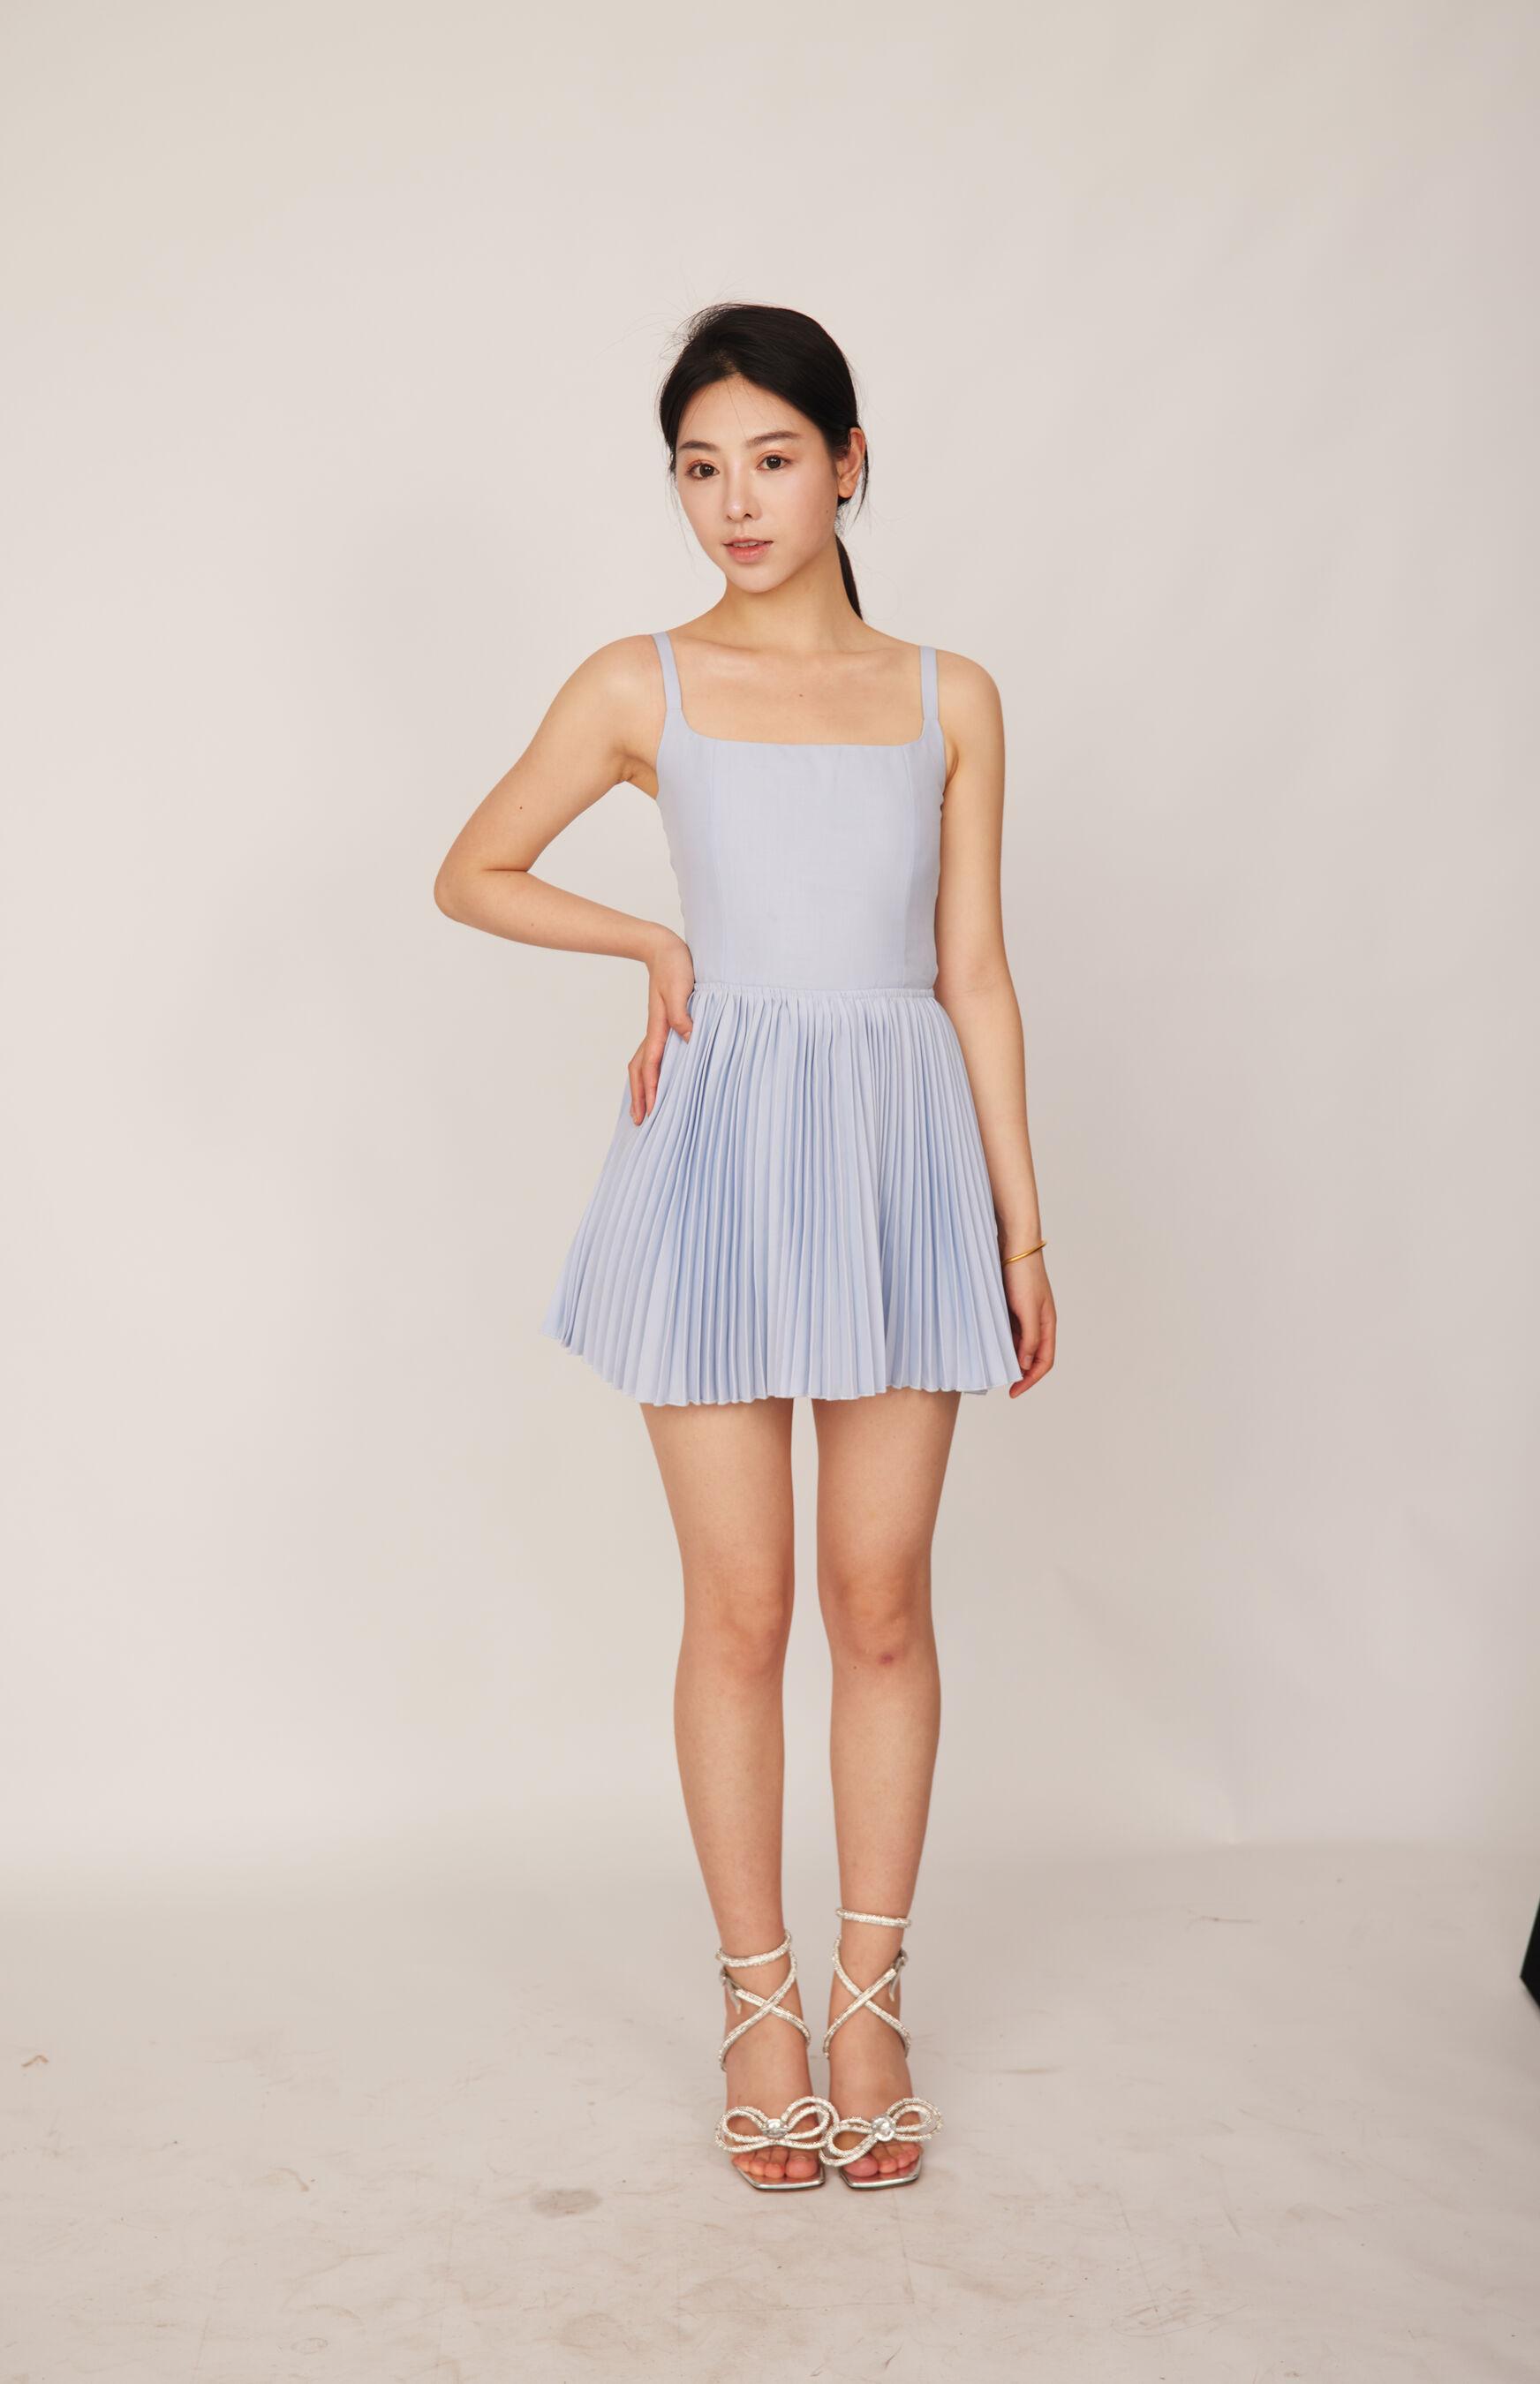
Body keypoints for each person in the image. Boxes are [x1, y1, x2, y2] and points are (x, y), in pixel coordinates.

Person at [434, 301, 1054, 2191]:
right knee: (743, 1609)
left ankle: (870, 1999)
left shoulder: (950, 695)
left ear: (848, 464)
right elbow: (473, 869)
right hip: (716, 1157)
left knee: (882, 1604)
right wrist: (652, 943)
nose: (736, 501)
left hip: (894, 1161)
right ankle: (759, 2002)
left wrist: (1023, 1229)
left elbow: (972, 971)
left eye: (772, 459)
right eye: (701, 468)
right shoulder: (644, 684)